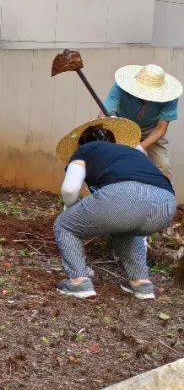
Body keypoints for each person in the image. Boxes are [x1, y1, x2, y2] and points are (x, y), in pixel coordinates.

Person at [53, 119, 175, 300]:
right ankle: (141, 283)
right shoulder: (132, 153)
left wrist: (71, 212)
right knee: (126, 229)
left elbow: (70, 189)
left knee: (64, 225)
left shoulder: (84, 151)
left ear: (80, 144)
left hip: (124, 196)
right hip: (165, 204)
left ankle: (79, 281)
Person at [103, 63, 181, 179]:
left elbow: (161, 128)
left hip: (151, 130)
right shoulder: (120, 88)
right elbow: (104, 114)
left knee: (163, 166)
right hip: (123, 126)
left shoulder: (170, 98)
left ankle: (167, 196)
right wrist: (113, 124)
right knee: (112, 163)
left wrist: (141, 147)